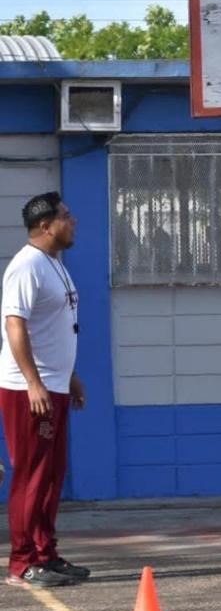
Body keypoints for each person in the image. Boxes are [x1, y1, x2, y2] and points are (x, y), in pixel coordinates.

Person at [1, 192, 89, 588]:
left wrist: (68, 376)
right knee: (31, 476)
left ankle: (45, 553)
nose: (73, 222)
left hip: (54, 386)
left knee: (52, 476)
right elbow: (15, 325)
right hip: (28, 391)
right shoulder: (26, 266)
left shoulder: (54, 264)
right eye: (66, 217)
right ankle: (22, 563)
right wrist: (34, 383)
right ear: (45, 225)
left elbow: (53, 328)